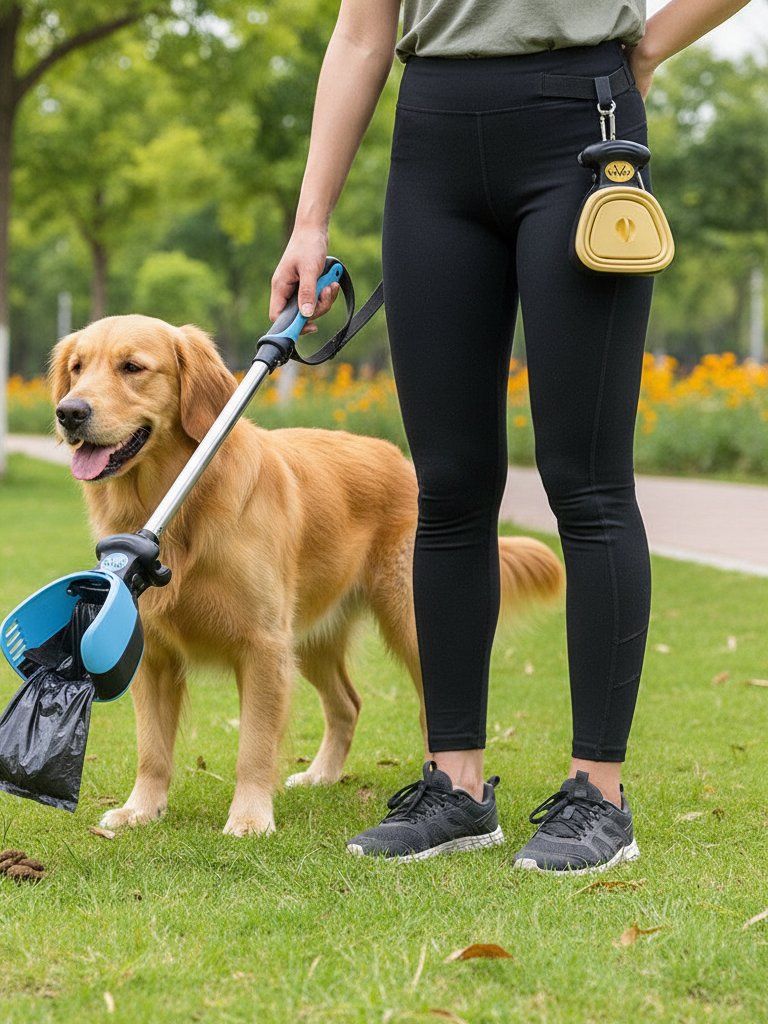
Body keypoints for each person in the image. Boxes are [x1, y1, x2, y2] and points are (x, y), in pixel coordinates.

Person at [270, 0, 753, 873]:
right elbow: (359, 31)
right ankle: (455, 786)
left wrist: (649, 48)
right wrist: (311, 222)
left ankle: (598, 796)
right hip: (431, 142)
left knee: (588, 482)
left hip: (582, 122)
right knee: (448, 486)